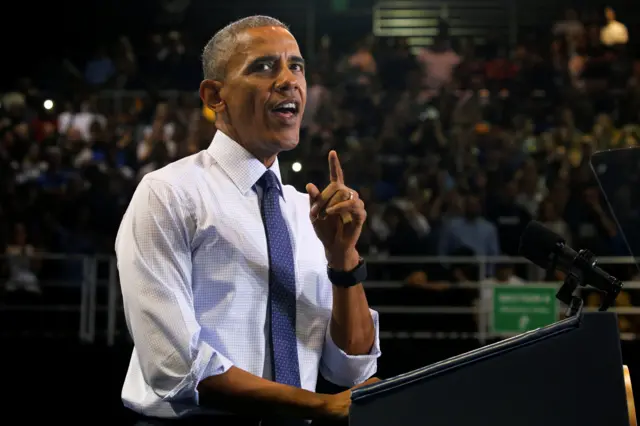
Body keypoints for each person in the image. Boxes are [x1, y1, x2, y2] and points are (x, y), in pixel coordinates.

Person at [115, 15, 380, 425]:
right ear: (214, 95)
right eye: (263, 66)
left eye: (297, 66)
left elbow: (351, 369)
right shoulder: (169, 193)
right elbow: (176, 367)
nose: (289, 79)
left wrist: (343, 258)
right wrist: (319, 406)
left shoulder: (304, 213)